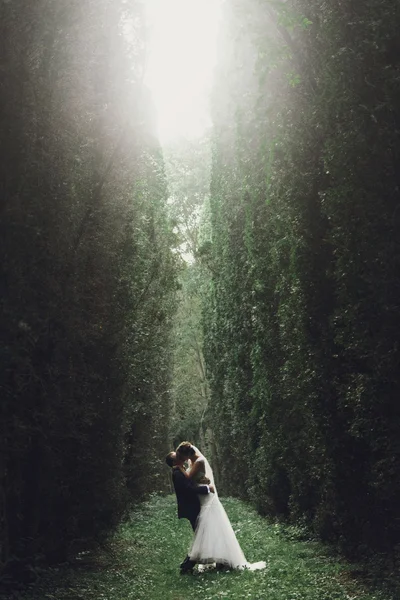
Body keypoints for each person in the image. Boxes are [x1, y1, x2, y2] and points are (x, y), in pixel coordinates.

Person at [175, 441, 266, 571]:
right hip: (201, 495)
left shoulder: (199, 461)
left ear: (187, 455)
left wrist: (179, 468)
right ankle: (217, 558)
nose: (181, 460)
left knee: (211, 525)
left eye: (181, 456)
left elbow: (188, 477)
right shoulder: (192, 462)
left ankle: (222, 558)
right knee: (210, 526)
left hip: (206, 497)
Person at [165, 450, 215, 574]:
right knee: (200, 535)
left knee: (202, 534)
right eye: (177, 456)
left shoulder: (181, 470)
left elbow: (191, 482)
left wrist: (203, 480)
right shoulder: (177, 473)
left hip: (194, 506)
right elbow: (189, 489)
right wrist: (207, 488)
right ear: (174, 461)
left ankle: (217, 561)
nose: (180, 455)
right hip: (191, 508)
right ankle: (187, 565)